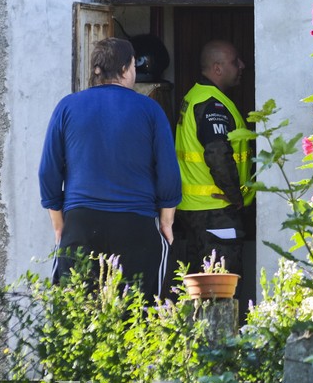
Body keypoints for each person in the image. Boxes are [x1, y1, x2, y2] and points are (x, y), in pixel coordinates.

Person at [39, 37, 182, 303]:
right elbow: (169, 172)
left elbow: (48, 171)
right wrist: (166, 221)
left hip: (81, 222)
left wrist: (60, 224)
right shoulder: (150, 109)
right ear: (128, 68)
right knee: (137, 316)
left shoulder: (67, 107)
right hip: (136, 224)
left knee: (76, 315)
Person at [175, 40, 254, 276]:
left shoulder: (196, 96)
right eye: (234, 61)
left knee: (199, 284)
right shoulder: (212, 105)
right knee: (221, 286)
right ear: (217, 68)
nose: (242, 65)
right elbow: (217, 154)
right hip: (215, 210)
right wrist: (235, 195)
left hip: (195, 210)